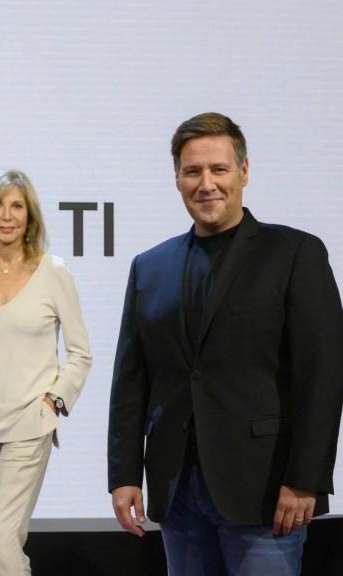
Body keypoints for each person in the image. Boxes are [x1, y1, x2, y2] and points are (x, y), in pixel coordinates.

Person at [108, 112, 343, 576]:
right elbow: (131, 381)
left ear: (244, 172)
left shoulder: (296, 254)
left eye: (219, 169)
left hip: (265, 491)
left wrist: (305, 480)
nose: (206, 183)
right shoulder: (149, 267)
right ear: (177, 178)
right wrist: (123, 475)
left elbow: (323, 376)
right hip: (178, 492)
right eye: (193, 171)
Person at [0, 170, 91, 575]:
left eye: (17, 206)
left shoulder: (54, 272)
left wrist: (54, 400)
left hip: (30, 424)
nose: (6, 215)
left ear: (30, 217)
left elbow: (81, 352)